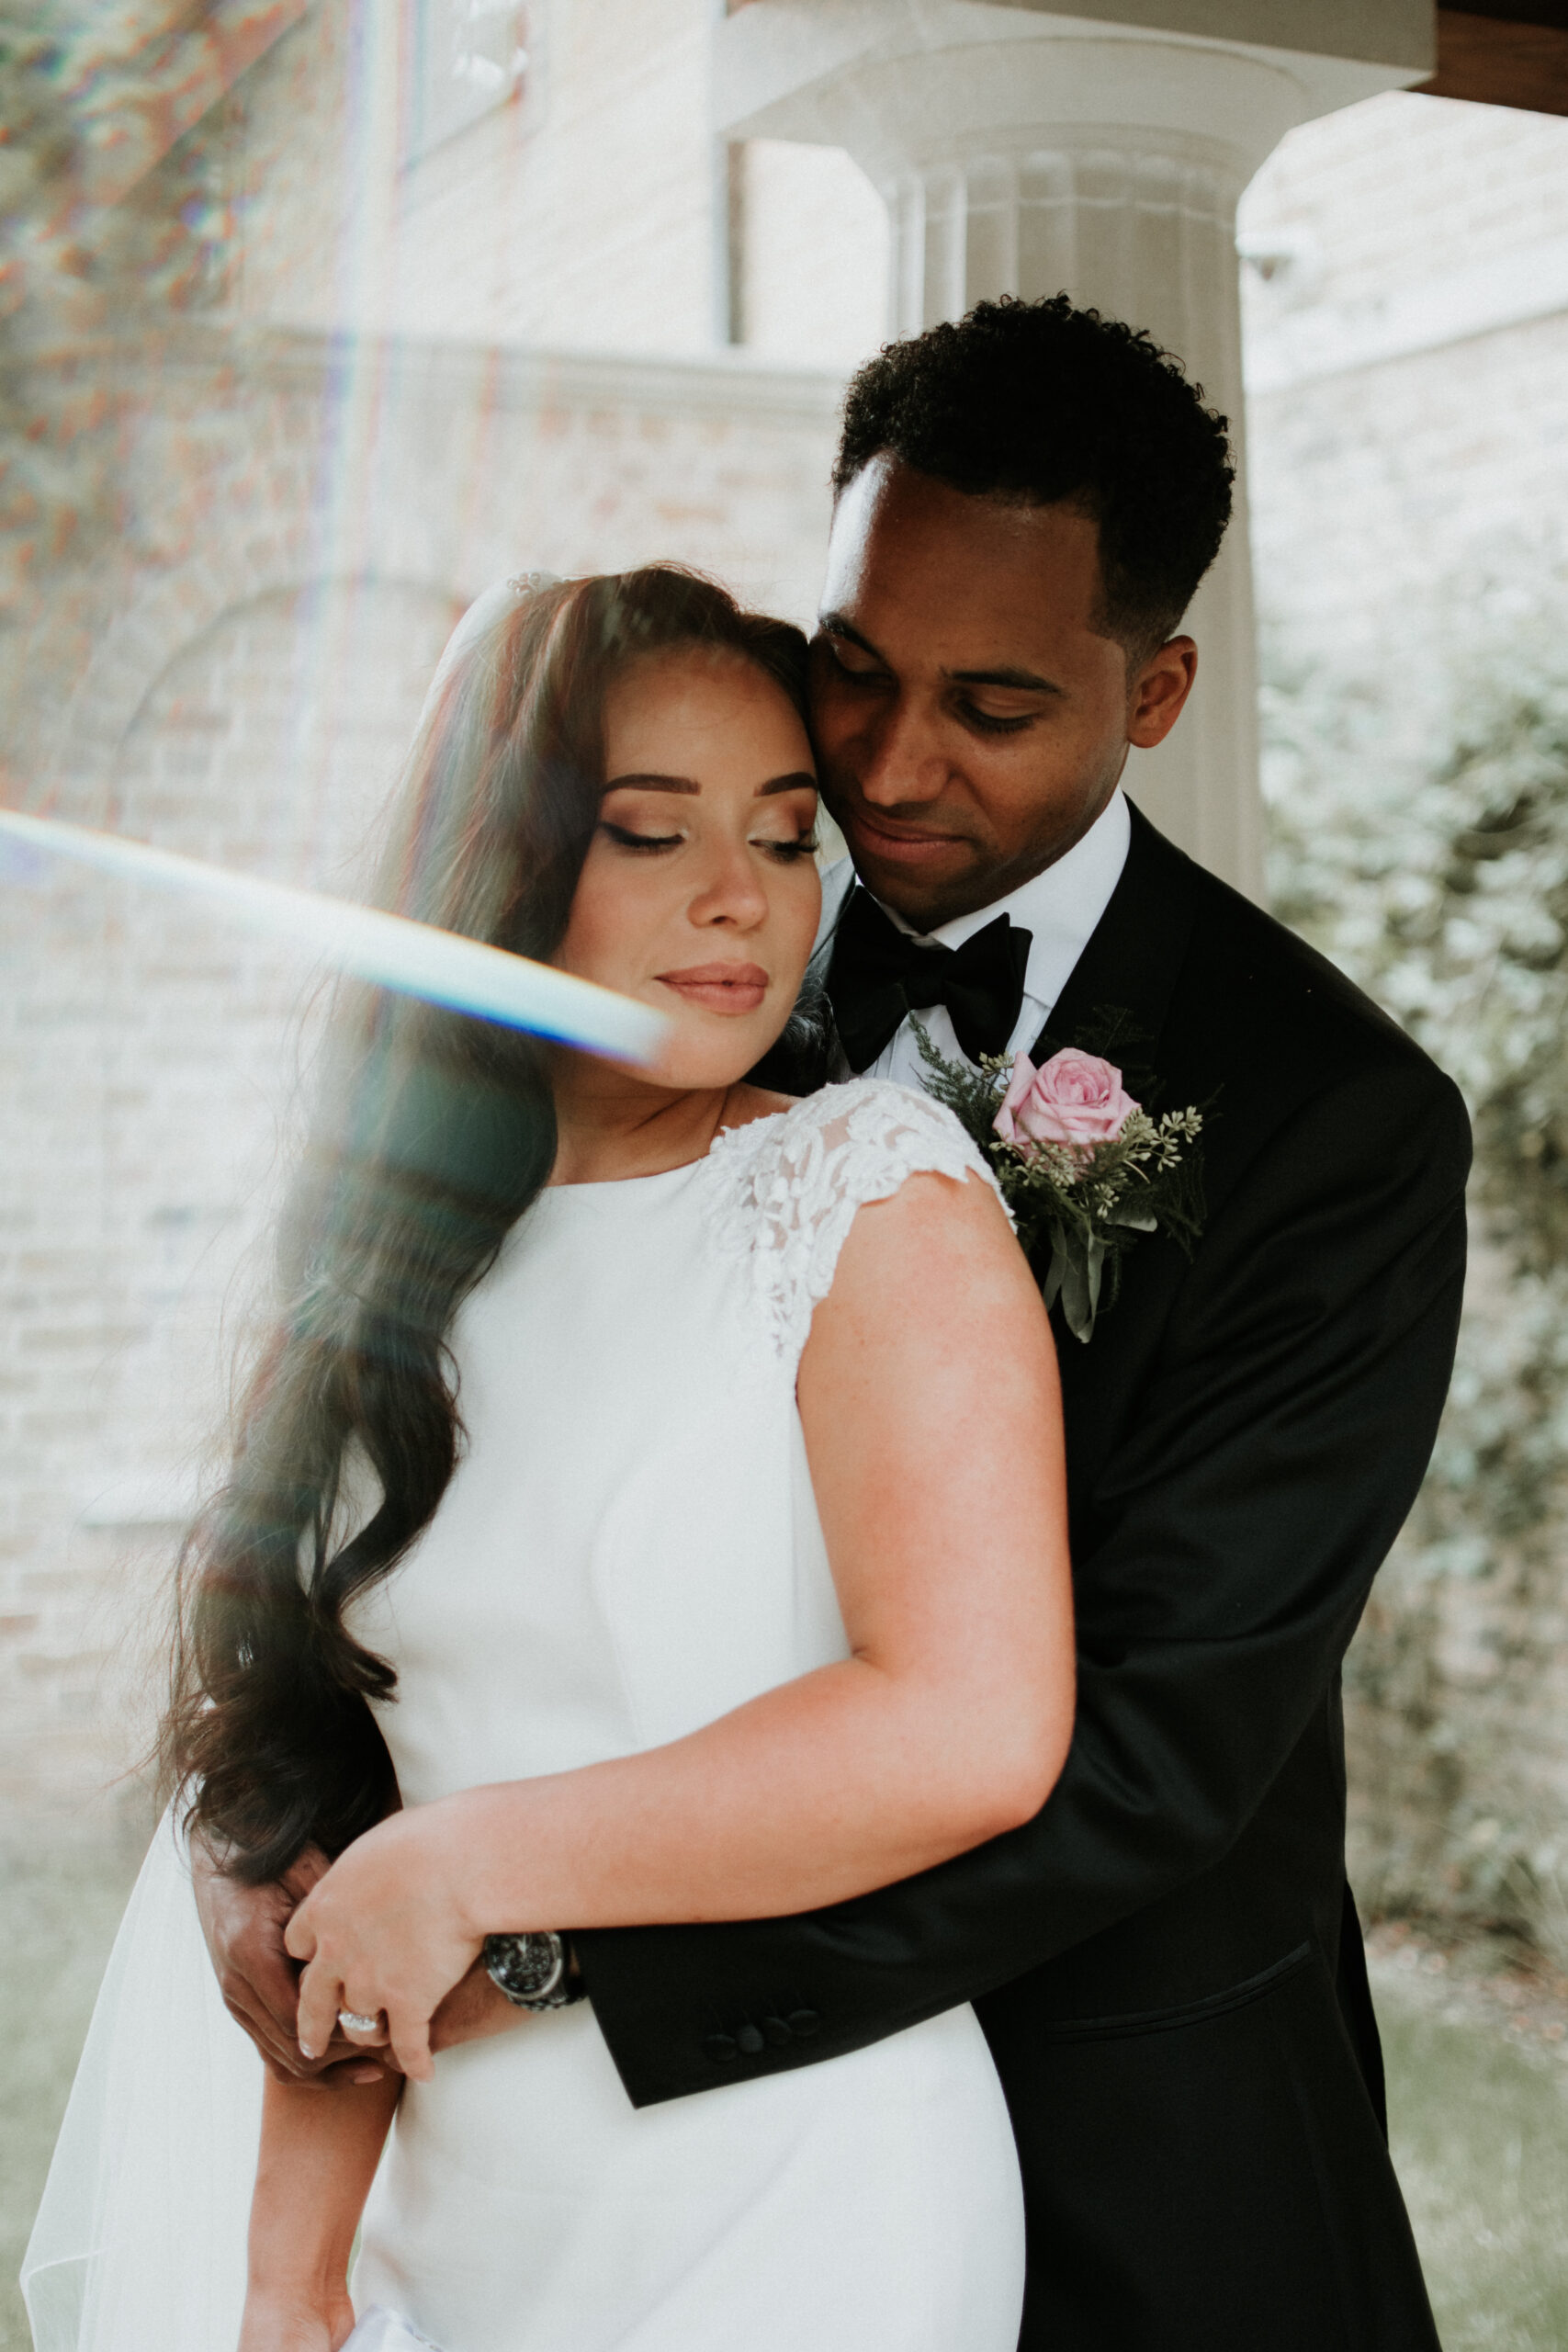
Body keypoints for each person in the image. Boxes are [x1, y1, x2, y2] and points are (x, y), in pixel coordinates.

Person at [195, 300, 1470, 2346]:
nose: (881, 764)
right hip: (547, 2159)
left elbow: (1154, 1752)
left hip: (1121, 2132)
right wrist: (275, 1845)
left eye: (991, 704)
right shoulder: (675, 971)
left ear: (1152, 692)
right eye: (854, 666)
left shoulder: (1334, 1120)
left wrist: (540, 1943)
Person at [25, 564, 1073, 2352]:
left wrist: (463, 1864)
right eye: (651, 833)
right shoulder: (390, 1266)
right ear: (499, 866)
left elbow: (966, 1725)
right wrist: (288, 2285)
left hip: (797, 2193)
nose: (740, 894)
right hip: (442, 2213)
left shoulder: (866, 1193)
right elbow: (325, 1804)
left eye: (784, 833)